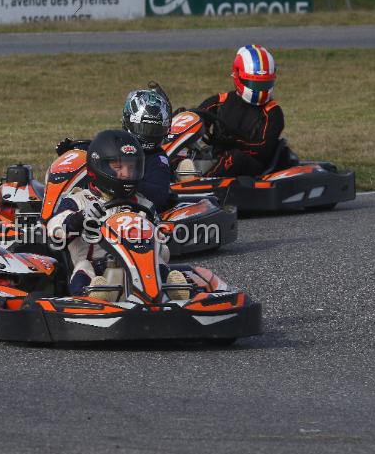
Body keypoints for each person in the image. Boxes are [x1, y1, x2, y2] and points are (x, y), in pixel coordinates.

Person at [47, 130, 187, 300]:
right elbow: (54, 230)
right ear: (98, 167)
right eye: (118, 167)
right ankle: (93, 295)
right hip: (97, 269)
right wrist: (80, 218)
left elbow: (162, 245)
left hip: (138, 268)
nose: (126, 174)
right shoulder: (78, 201)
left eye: (131, 167)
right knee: (84, 267)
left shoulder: (144, 205)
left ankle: (175, 289)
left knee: (159, 262)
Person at [56, 84, 173, 212]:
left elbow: (159, 196)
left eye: (155, 130)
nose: (149, 135)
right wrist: (75, 152)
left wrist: (122, 183)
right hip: (99, 203)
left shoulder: (158, 158)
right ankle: (52, 212)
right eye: (144, 129)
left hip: (135, 210)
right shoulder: (116, 142)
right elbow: (100, 152)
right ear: (127, 121)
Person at [193, 44, 285, 177]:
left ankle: (199, 184)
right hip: (219, 160)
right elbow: (196, 117)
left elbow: (264, 149)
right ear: (237, 76)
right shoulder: (221, 101)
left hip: (255, 171)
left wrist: (233, 142)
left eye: (264, 84)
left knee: (235, 157)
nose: (259, 89)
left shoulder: (273, 112)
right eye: (255, 84)